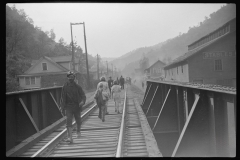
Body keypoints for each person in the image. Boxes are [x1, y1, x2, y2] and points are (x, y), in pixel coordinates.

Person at [60, 71, 86, 143]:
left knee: (78, 120)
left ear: (74, 78)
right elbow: (62, 98)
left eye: (72, 77)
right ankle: (70, 137)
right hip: (68, 106)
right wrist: (61, 107)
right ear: (67, 77)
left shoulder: (78, 87)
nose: (70, 78)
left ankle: (78, 131)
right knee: (68, 121)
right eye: (69, 77)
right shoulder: (64, 87)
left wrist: (82, 102)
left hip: (77, 106)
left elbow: (83, 96)